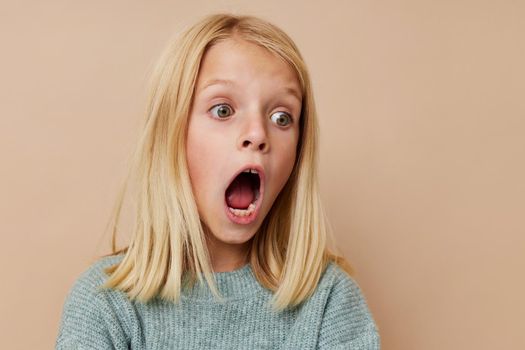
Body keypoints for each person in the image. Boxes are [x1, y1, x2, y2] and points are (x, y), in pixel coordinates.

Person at [55, 13, 380, 349]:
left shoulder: (330, 303)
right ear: (171, 134)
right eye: (223, 110)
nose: (257, 134)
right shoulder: (106, 306)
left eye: (282, 117)